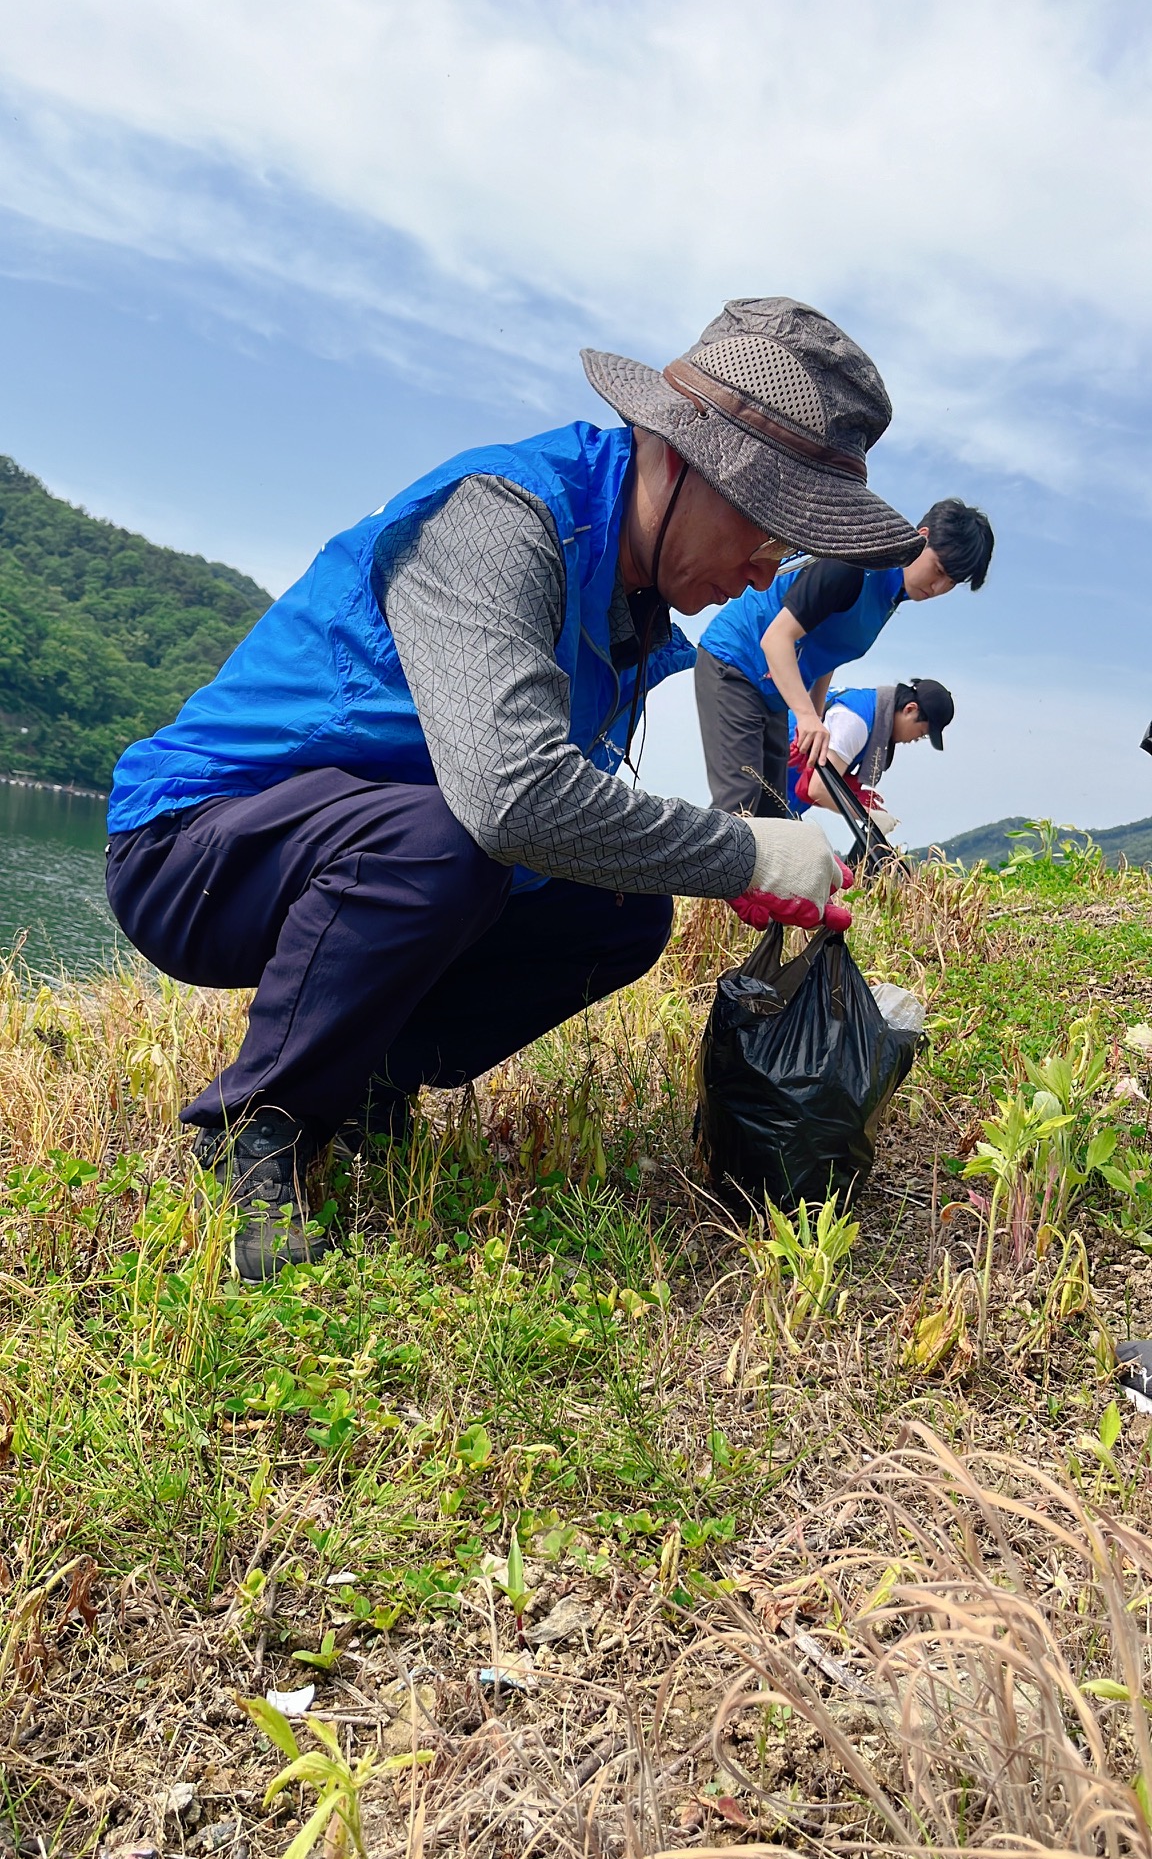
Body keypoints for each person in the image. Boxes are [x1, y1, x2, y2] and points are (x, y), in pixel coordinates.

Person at [104, 296, 924, 1280]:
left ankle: (366, 1078)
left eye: (789, 547)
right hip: (194, 844)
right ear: (669, 455)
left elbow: (554, 823)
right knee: (451, 838)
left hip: (370, 846)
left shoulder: (629, 611)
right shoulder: (504, 519)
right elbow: (508, 797)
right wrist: (747, 845)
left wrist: (712, 865)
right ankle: (260, 1126)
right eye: (762, 521)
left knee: (621, 913)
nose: (763, 571)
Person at [694, 498, 992, 815]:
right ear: (921, 537)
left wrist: (816, 713)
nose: (939, 586)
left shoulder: (891, 595)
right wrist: (806, 717)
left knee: (774, 813)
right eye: (939, 570)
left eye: (952, 582)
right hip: (737, 662)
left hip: (773, 690)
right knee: (741, 801)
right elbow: (776, 639)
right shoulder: (855, 564)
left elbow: (828, 649)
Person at [785, 678, 955, 826]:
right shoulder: (855, 722)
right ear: (910, 709)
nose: (915, 740)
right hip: (767, 785)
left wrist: (851, 793)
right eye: (921, 733)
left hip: (782, 797)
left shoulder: (871, 707)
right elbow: (818, 789)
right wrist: (867, 816)